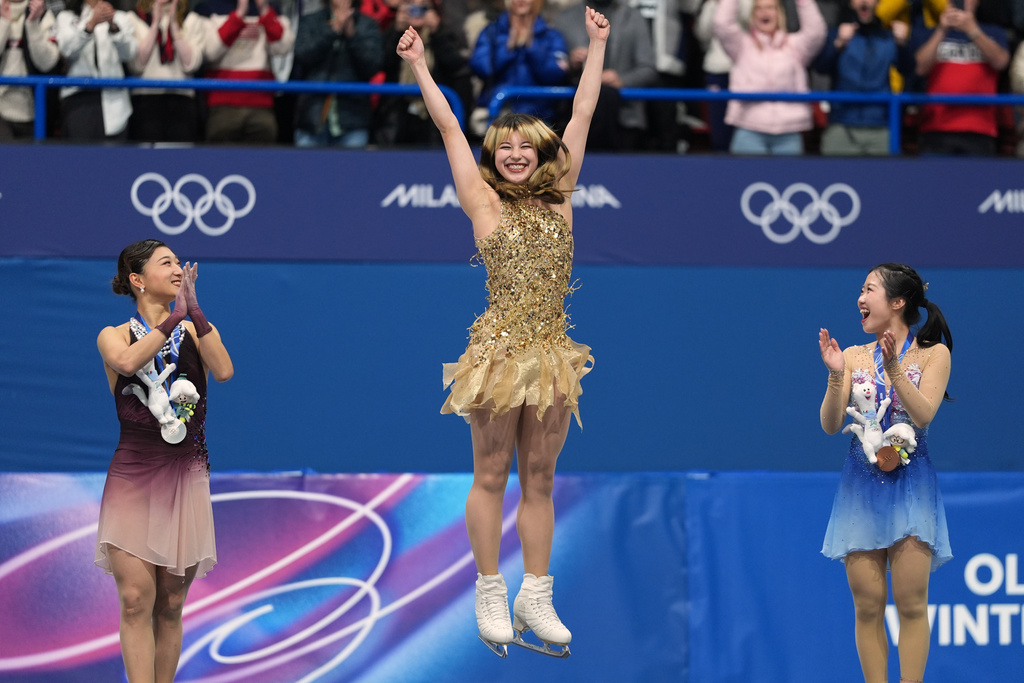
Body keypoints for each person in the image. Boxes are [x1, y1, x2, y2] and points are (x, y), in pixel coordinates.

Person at [396, 5, 606, 657]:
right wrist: (420, 66)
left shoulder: (563, 192)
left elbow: (583, 113)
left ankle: (535, 593)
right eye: (505, 146)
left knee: (539, 476)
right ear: (495, 156)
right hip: (498, 352)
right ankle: (491, 586)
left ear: (541, 153)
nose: (515, 153)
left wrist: (597, 46)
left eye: (526, 146)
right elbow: (451, 126)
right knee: (491, 474)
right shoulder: (481, 202)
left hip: (551, 352)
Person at [96, 239, 233, 683]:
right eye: (167, 263)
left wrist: (195, 316)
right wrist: (173, 317)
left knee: (171, 602)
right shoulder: (113, 335)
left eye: (179, 263)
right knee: (136, 599)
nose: (178, 270)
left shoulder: (194, 330)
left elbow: (225, 370)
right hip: (133, 476)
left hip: (186, 476)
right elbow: (130, 360)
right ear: (137, 280)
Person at [819, 263, 953, 683]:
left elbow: (924, 414)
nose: (860, 298)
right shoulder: (854, 356)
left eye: (868, 289)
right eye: (861, 289)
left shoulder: (934, 353)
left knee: (911, 603)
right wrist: (835, 373)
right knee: (868, 604)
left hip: (912, 487)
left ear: (897, 302)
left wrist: (895, 367)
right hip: (860, 489)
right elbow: (828, 424)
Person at [712, 0, 826, 154]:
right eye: (759, 9)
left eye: (770, 8)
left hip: (788, 132)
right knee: (745, 177)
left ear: (780, 14)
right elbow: (722, 24)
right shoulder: (741, 45)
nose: (764, 12)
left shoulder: (795, 46)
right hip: (749, 129)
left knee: (788, 178)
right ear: (753, 16)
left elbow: (816, 32)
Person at [553, 0, 656, 151]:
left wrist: (621, 79)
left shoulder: (633, 16)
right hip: (573, 114)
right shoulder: (565, 18)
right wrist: (570, 63)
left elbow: (648, 69)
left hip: (625, 116)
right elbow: (552, 68)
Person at [812, 0, 911, 155]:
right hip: (841, 124)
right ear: (851, 3)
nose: (864, 1)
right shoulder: (836, 33)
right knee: (835, 176)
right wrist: (838, 44)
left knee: (882, 178)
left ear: (878, 2)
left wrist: (902, 45)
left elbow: (909, 70)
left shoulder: (889, 37)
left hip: (880, 125)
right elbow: (820, 68)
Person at [913, 0, 1009, 155]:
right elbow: (919, 68)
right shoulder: (930, 33)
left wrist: (972, 30)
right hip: (936, 128)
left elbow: (1001, 62)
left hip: (980, 128)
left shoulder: (994, 32)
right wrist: (942, 30)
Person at [195, 0, 295, 143]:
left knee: (262, 163)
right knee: (221, 162)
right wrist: (238, 17)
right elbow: (209, 51)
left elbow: (282, 47)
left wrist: (265, 10)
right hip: (223, 105)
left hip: (261, 105)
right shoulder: (208, 8)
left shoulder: (271, 9)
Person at [376, 0, 472, 147]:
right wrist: (397, 30)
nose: (417, 12)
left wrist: (436, 31)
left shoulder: (445, 34)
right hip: (399, 111)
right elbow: (381, 65)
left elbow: (456, 66)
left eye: (423, 8)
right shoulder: (394, 33)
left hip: (432, 113)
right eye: (411, 7)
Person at [292, 0, 382, 148]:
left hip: (353, 118)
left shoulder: (368, 25)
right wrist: (333, 30)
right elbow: (302, 56)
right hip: (312, 115)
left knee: (351, 170)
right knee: (307, 169)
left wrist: (352, 35)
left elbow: (372, 65)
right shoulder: (311, 21)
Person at [468, 0, 568, 124]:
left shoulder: (551, 36)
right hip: (497, 111)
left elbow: (555, 74)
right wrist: (508, 48)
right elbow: (481, 68)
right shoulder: (492, 32)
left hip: (539, 115)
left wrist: (532, 47)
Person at [56, 0, 138, 140]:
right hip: (79, 99)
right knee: (81, 158)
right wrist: (91, 24)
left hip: (115, 100)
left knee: (114, 159)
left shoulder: (121, 17)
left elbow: (129, 54)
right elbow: (67, 50)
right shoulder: (66, 17)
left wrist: (113, 27)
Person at [127, 0, 204, 143]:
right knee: (148, 160)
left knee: (180, 159)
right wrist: (156, 23)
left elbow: (191, 64)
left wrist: (174, 27)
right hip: (146, 99)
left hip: (182, 100)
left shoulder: (191, 19)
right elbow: (137, 65)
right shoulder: (134, 18)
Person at [0, 0, 61, 140]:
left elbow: (47, 64)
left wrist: (32, 24)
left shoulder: (43, 15)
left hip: (35, 110)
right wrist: (3, 23)